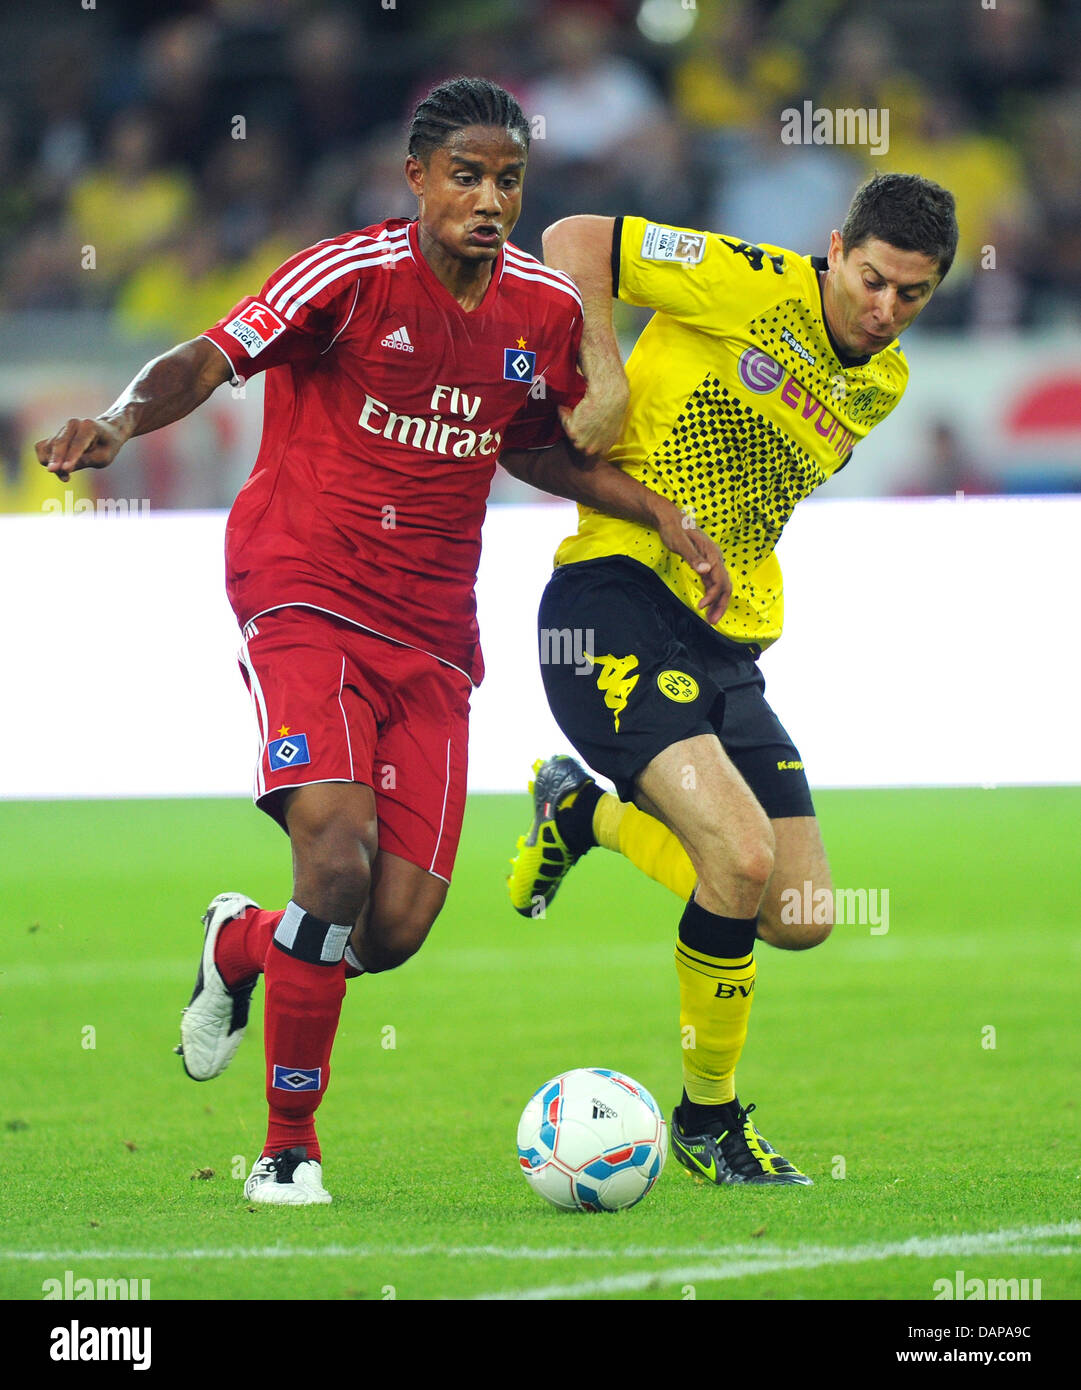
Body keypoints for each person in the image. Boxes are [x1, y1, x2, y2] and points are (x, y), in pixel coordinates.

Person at [36, 77, 726, 1206]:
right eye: (466, 176)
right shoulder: (348, 275)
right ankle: (287, 1148)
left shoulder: (543, 309)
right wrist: (118, 419)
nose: (490, 199)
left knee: (392, 927)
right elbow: (208, 356)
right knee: (336, 857)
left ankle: (240, 945)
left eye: (508, 180)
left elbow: (530, 446)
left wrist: (659, 513)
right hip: (302, 588)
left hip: (434, 631)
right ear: (416, 179)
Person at [508, 171, 959, 1186]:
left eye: (913, 294)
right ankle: (707, 1120)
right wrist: (604, 368)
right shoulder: (745, 278)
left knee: (797, 916)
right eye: (872, 280)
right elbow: (575, 236)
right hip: (611, 602)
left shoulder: (882, 381)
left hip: (723, 643)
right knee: (741, 855)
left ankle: (583, 816)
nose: (885, 310)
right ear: (834, 248)